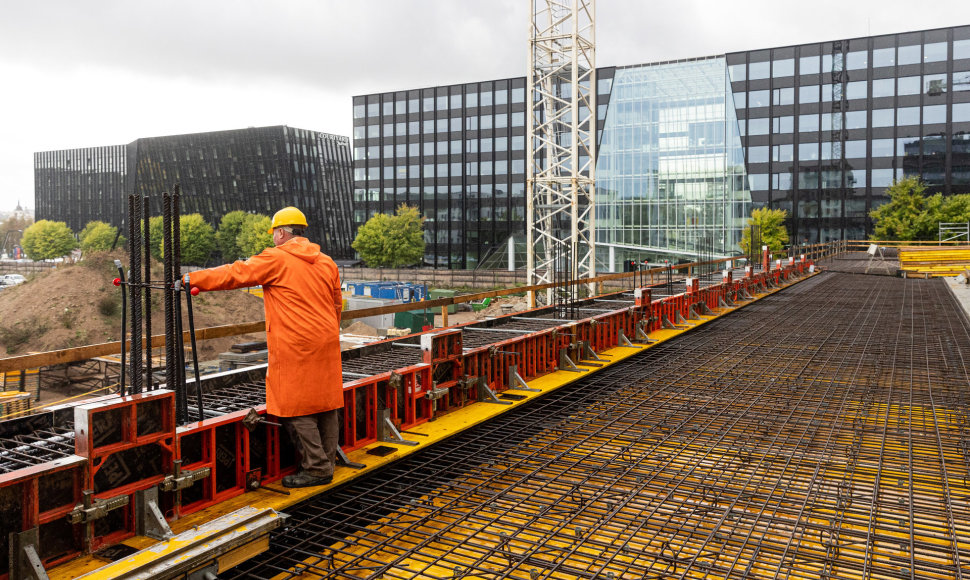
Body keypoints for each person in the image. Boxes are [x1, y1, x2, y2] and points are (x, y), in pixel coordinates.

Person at [185, 207, 343, 488]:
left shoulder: (277, 258)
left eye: (274, 234)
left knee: (294, 405)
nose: (273, 239)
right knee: (325, 402)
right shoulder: (327, 262)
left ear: (281, 233)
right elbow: (336, 304)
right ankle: (327, 461)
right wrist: (326, 332)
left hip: (295, 343)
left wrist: (191, 280)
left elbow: (235, 274)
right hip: (326, 340)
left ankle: (317, 469)